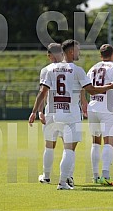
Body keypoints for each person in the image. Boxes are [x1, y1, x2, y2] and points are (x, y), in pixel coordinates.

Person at [29, 39, 113, 190]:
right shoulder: (77, 70)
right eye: (78, 50)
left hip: (55, 112)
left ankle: (50, 177)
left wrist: (34, 112)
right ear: (71, 52)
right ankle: (63, 181)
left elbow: (42, 92)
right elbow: (91, 90)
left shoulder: (51, 69)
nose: (80, 52)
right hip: (71, 114)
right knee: (69, 149)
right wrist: (111, 85)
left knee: (51, 145)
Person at [37, 43, 87, 187]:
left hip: (52, 109)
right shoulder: (73, 69)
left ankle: (47, 176)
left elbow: (42, 92)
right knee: (68, 146)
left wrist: (40, 110)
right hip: (67, 110)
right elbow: (81, 86)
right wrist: (83, 101)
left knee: (50, 145)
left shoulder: (47, 70)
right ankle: (67, 177)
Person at [87, 44, 113, 186]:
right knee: (109, 142)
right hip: (107, 109)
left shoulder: (92, 68)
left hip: (93, 106)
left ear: (101, 56)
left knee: (95, 142)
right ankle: (105, 175)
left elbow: (88, 87)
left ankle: (95, 176)